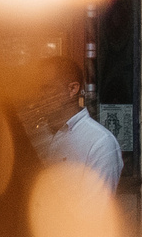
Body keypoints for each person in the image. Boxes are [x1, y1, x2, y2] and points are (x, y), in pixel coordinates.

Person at [26, 54, 122, 192]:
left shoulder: (100, 142)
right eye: (36, 89)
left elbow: (96, 208)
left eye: (46, 88)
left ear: (73, 89)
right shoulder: (36, 135)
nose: (38, 96)